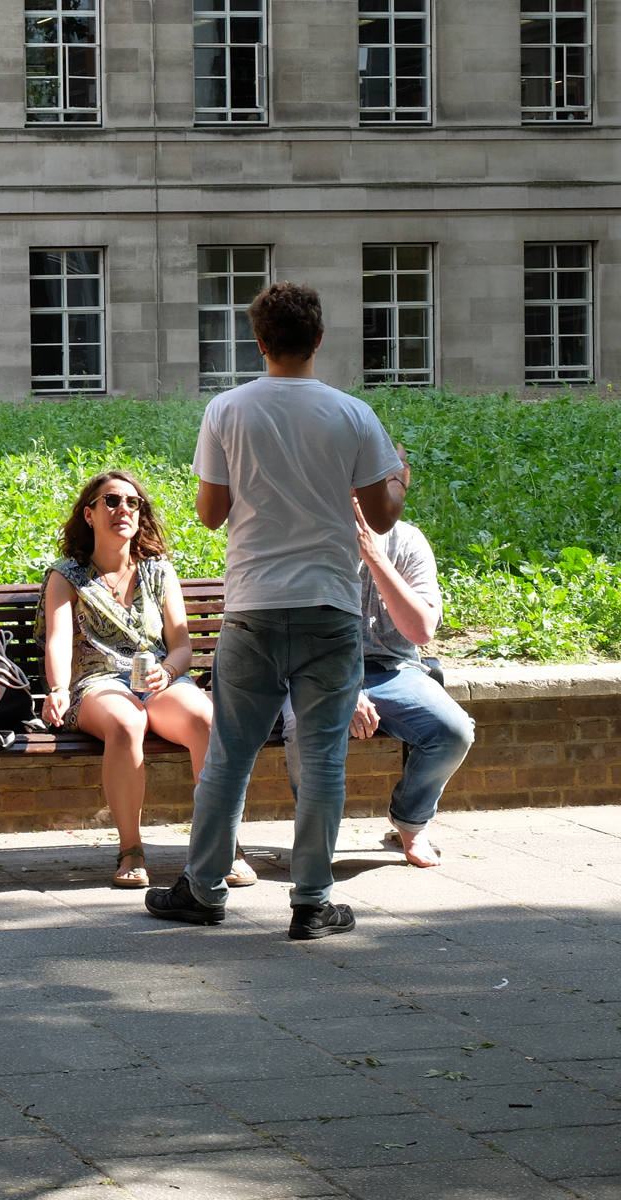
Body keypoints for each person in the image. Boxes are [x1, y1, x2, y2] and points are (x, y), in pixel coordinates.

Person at [145, 281, 406, 940]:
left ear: (259, 342)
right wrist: (397, 476)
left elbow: (209, 515)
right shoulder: (353, 415)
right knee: (319, 761)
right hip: (329, 608)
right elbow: (380, 515)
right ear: (318, 339)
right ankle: (312, 904)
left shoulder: (227, 410)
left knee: (230, 756)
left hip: (254, 607)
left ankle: (204, 891)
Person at [38, 471, 255, 889]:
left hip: (158, 679)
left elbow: (181, 646)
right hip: (97, 682)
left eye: (132, 503)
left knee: (207, 719)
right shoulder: (67, 575)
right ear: (89, 514)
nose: (124, 509)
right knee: (127, 722)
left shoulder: (159, 572)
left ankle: (224, 843)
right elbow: (58, 641)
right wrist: (58, 689)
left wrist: (169, 671)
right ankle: (131, 848)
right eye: (112, 501)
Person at [283, 447, 474, 868]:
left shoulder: (408, 542)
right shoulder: (305, 540)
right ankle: (316, 832)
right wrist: (346, 688)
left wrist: (373, 553)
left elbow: (420, 630)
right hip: (312, 670)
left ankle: (410, 820)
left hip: (392, 670)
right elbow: (294, 633)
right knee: (308, 729)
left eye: (390, 481)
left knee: (453, 731)